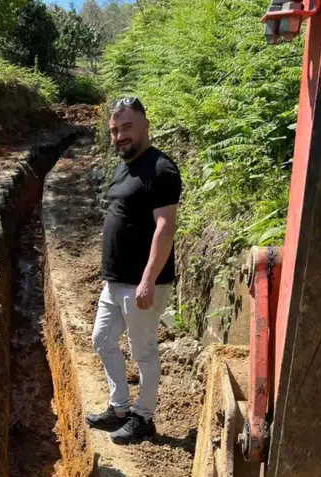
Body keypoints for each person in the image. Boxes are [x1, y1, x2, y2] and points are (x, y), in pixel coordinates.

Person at [85, 97, 182, 445]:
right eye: (114, 130)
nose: (120, 135)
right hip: (115, 282)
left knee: (143, 351)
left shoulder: (161, 170)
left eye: (127, 127)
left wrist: (148, 280)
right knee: (102, 340)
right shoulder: (123, 166)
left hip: (141, 284)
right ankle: (120, 407)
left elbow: (165, 228)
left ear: (144, 125)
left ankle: (143, 416)